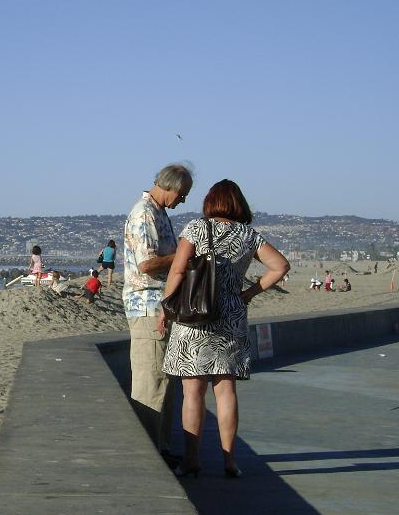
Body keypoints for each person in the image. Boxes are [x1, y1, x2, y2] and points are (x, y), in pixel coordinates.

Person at [157, 179, 289, 478]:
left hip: (194, 316)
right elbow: (280, 266)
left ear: (210, 202)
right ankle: (230, 460)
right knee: (225, 389)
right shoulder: (249, 235)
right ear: (238, 203)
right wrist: (249, 293)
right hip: (230, 316)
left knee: (192, 392)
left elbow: (178, 269)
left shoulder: (195, 229)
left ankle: (192, 459)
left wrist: (166, 306)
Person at [123, 163, 193, 463]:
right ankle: (151, 454)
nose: (183, 201)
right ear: (171, 187)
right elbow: (147, 264)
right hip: (148, 307)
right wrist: (183, 256)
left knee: (163, 380)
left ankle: (162, 448)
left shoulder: (158, 212)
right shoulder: (144, 214)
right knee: (151, 382)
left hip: (159, 307)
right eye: (183, 195)